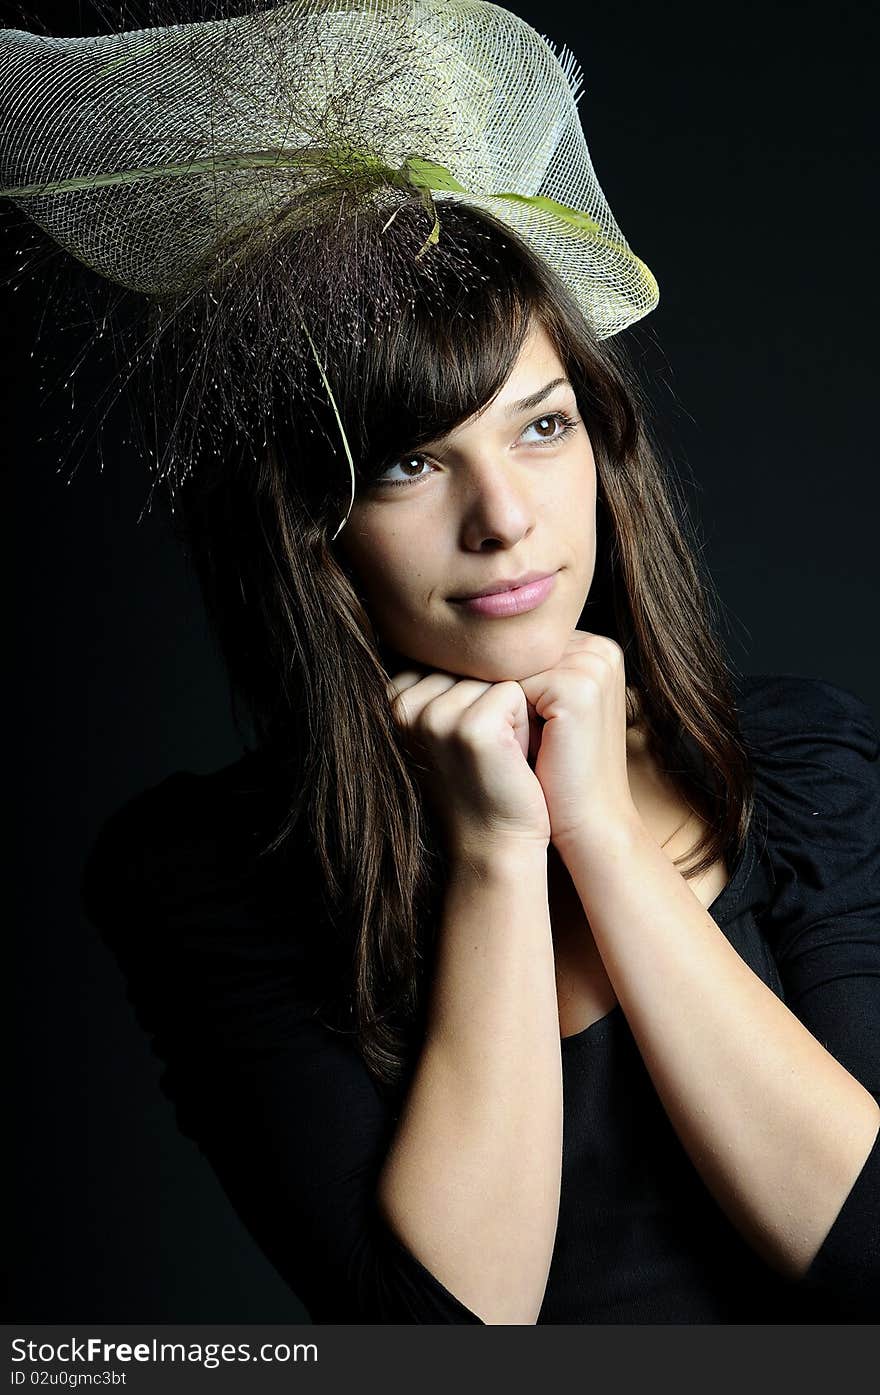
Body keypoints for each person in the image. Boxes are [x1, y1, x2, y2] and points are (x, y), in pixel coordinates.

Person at [4, 1, 879, 1324]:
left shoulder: (799, 765)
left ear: (604, 442)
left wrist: (593, 828)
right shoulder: (205, 876)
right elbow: (443, 1340)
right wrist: (492, 855)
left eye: (541, 427)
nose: (507, 518)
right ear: (309, 521)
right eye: (414, 461)